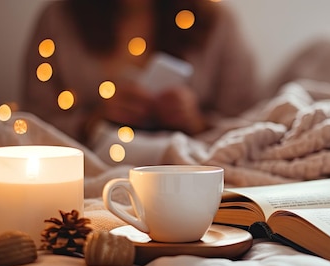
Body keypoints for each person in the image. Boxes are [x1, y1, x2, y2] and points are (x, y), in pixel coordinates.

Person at [21, 0, 260, 165]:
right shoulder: (59, 19)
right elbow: (33, 122)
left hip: (189, 169)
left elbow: (250, 122)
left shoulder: (216, 21)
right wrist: (93, 120)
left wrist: (197, 121)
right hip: (90, 162)